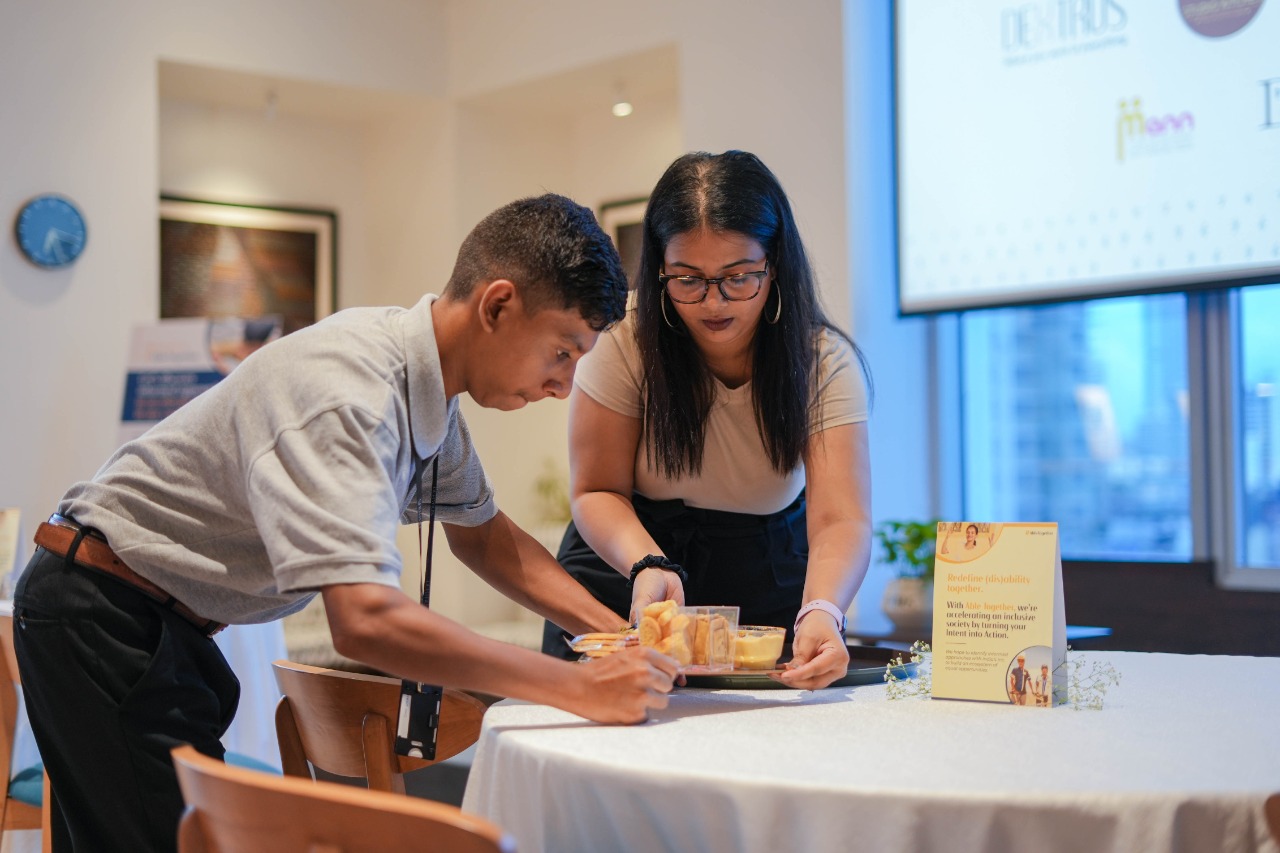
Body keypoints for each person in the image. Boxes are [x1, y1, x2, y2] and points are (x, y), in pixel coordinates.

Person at [14, 194, 678, 852]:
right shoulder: (351, 396)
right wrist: (572, 683)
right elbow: (363, 620)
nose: (562, 386)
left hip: (147, 612)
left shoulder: (428, 389)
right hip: (100, 604)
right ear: (498, 305)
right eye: (562, 352)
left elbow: (484, 537)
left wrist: (612, 635)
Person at [539, 151, 872, 690]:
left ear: (775, 264)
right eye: (688, 280)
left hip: (764, 568)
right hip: (627, 566)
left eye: (739, 277)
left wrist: (824, 610)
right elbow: (597, 489)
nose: (713, 302)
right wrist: (647, 564)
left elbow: (840, 518)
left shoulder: (822, 360)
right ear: (659, 268)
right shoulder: (624, 339)